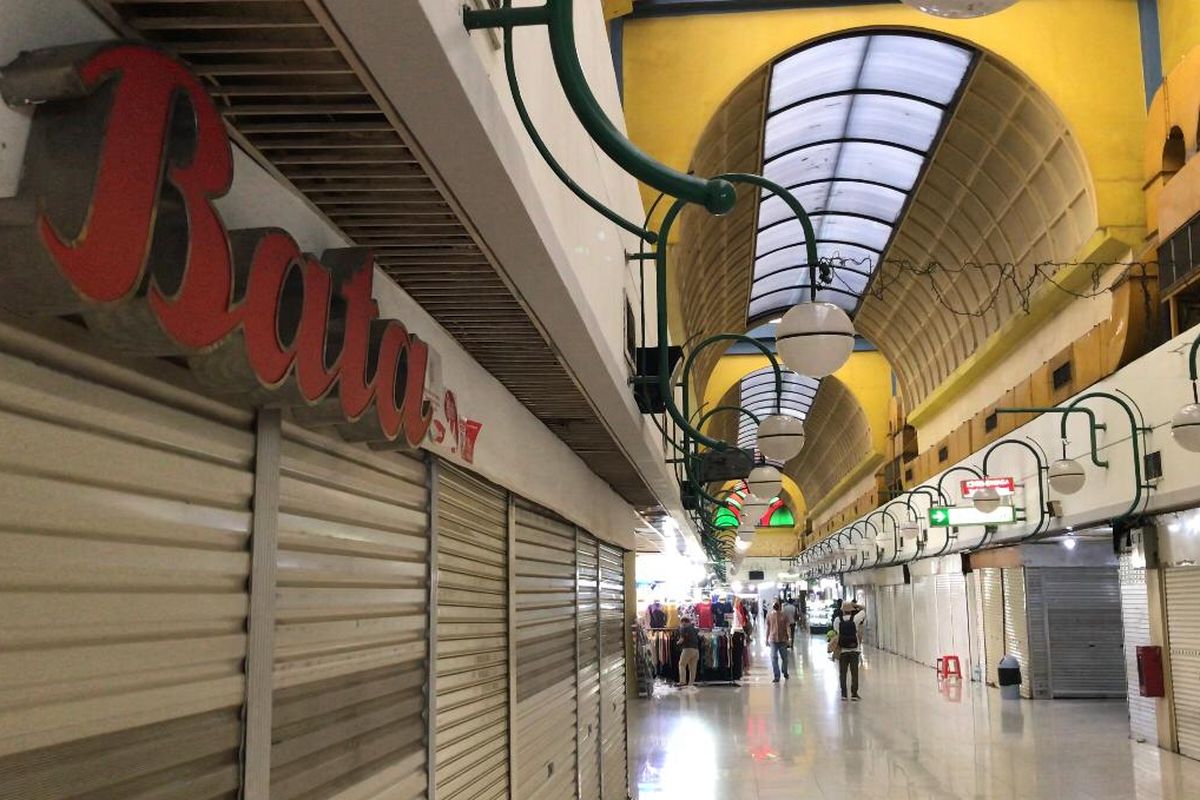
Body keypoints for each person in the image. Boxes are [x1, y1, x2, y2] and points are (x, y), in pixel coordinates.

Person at [837, 601, 867, 701]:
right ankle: (854, 694)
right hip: (854, 649)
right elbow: (864, 609)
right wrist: (856, 605)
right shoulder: (855, 619)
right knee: (854, 673)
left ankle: (844, 695)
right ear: (851, 611)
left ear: (842, 611)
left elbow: (837, 632)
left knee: (843, 673)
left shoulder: (837, 620)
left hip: (842, 650)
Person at [766, 600, 791, 682]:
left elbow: (788, 627)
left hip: (783, 639)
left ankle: (784, 671)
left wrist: (789, 637)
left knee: (785, 658)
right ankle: (777, 676)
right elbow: (768, 628)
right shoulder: (769, 616)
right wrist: (766, 639)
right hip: (773, 640)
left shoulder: (784, 616)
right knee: (773, 657)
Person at [677, 616, 700, 690]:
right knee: (692, 668)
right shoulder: (694, 629)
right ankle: (691, 684)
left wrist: (677, 643)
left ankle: (682, 681)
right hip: (696, 650)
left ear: (683, 622)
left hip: (687, 649)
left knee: (682, 664)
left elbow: (681, 640)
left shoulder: (683, 628)